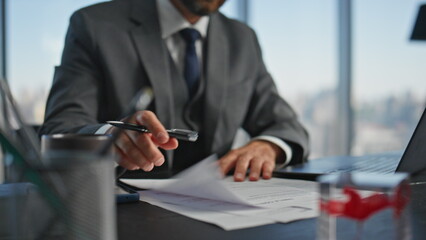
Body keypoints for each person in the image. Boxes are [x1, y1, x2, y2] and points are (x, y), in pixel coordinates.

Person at [40, 0, 309, 181]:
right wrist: (109, 138)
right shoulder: (94, 24)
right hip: (121, 214)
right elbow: (61, 127)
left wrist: (268, 146)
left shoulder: (242, 38)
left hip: (222, 212)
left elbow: (284, 124)